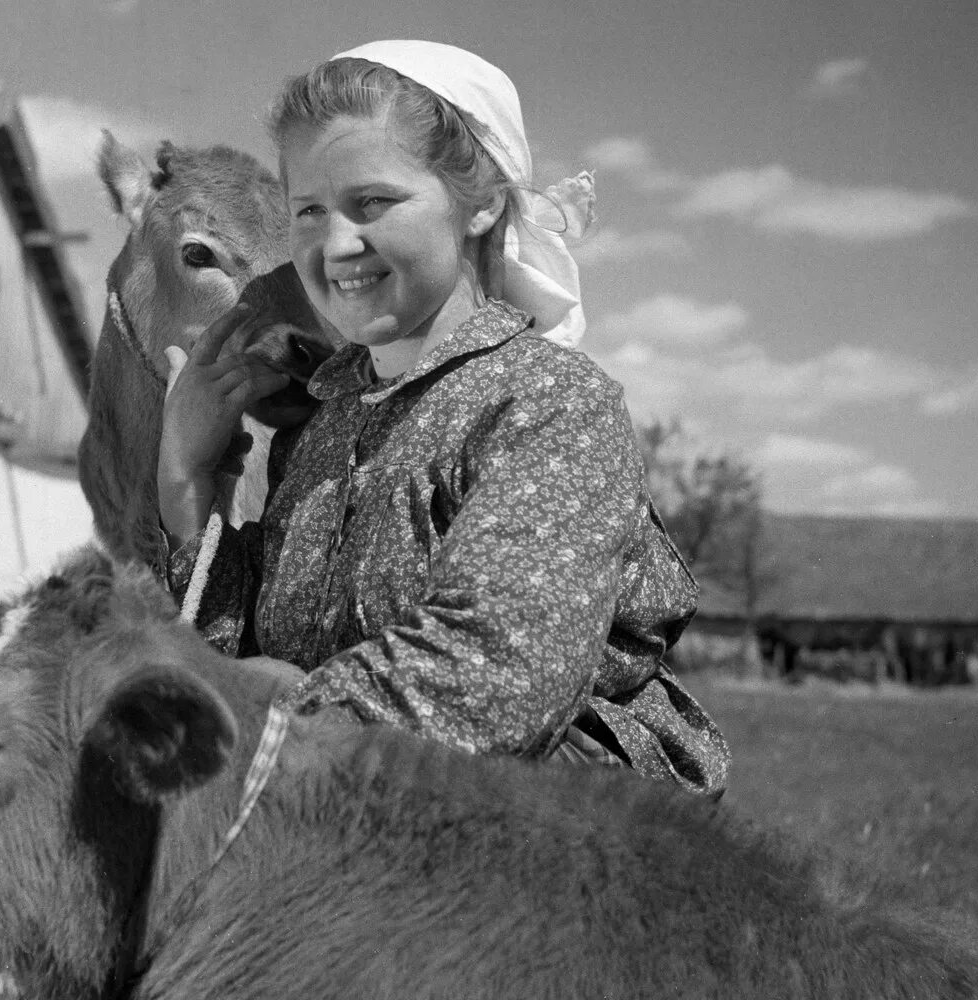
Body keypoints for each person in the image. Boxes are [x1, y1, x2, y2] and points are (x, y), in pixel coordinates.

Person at [157, 39, 729, 797]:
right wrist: (185, 471)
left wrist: (273, 710)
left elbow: (497, 675)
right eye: (309, 211)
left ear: (482, 202)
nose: (335, 245)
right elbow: (227, 655)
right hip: (333, 813)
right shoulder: (323, 430)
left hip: (544, 846)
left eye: (373, 203)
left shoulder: (548, 407)